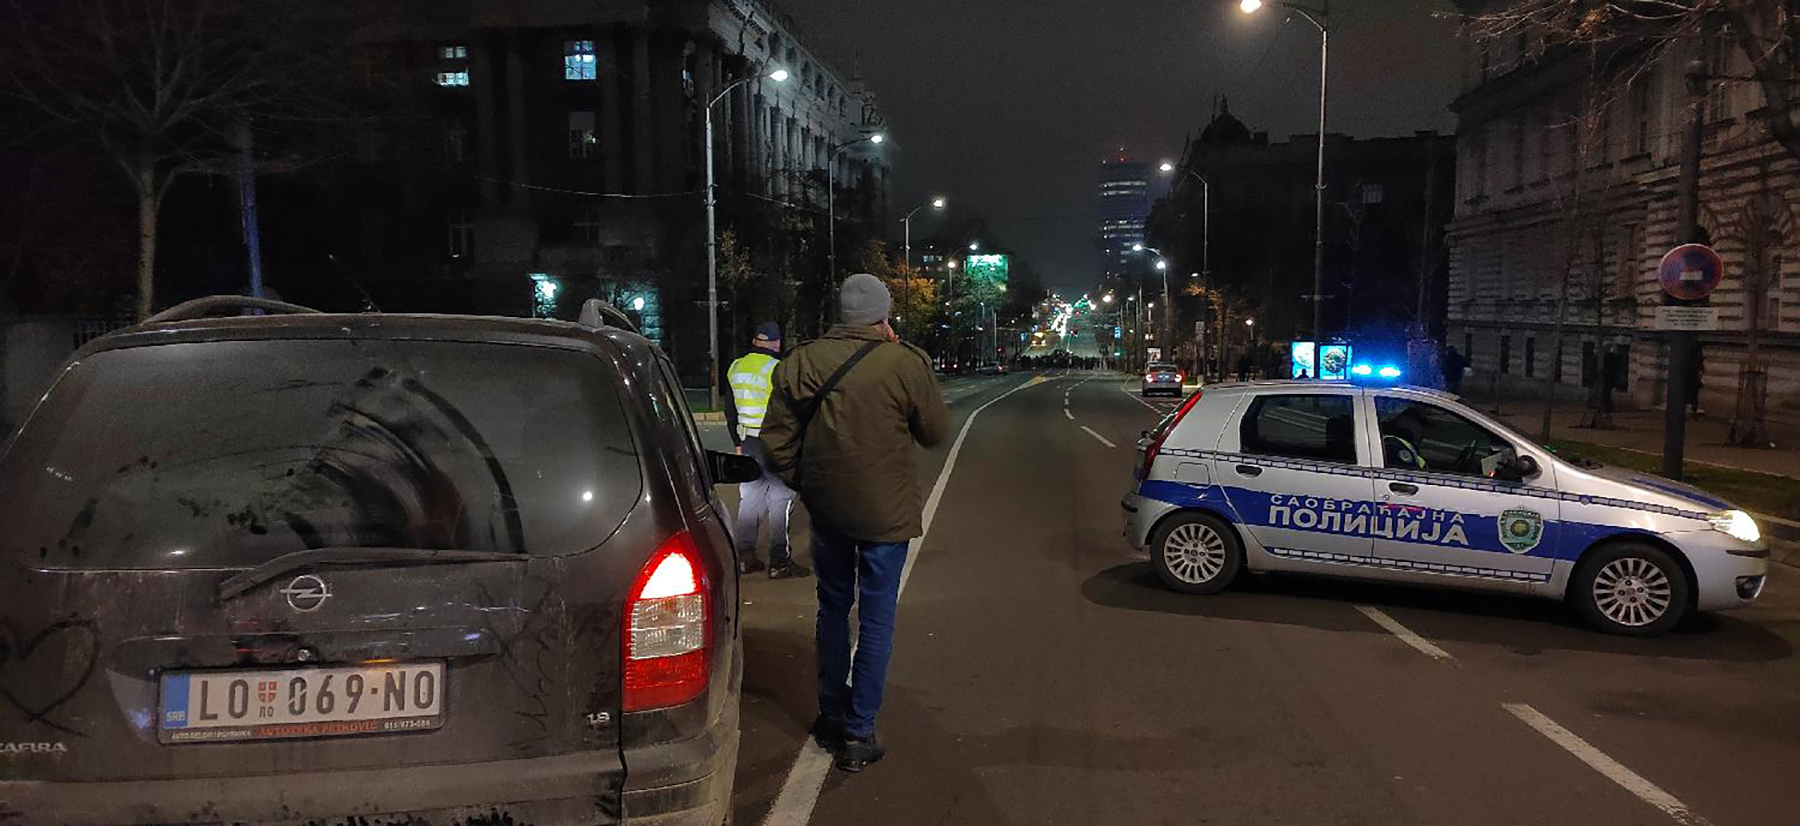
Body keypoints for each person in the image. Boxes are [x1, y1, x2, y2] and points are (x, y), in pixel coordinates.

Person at [758, 274, 950, 773]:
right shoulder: (905, 363)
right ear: (884, 316)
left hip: (830, 512)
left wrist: (810, 483)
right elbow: (934, 432)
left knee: (833, 607)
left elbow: (774, 443)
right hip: (887, 516)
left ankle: (830, 713)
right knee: (878, 617)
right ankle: (860, 733)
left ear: (842, 313)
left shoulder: (802, 360)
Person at [723, 322, 810, 579]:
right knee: (780, 500)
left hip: (747, 440)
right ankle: (779, 561)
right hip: (776, 442)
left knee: (749, 499)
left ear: (754, 340)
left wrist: (736, 443)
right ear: (776, 343)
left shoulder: (736, 367)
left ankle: (745, 557)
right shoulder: (779, 369)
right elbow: (792, 409)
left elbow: (730, 411)